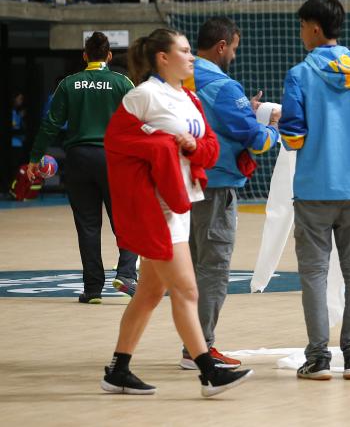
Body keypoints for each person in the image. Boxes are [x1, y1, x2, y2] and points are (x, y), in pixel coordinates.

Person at [101, 28, 252, 397]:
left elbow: (211, 147)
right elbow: (116, 142)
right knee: (186, 289)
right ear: (162, 58)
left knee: (149, 294)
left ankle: (118, 370)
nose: (190, 57)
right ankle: (207, 372)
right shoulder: (143, 95)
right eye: (184, 51)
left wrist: (192, 145)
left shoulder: (188, 97)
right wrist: (166, 144)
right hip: (156, 208)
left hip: (182, 204)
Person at [279, 0, 350, 380]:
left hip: (313, 189)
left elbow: (293, 137)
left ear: (313, 27)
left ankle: (317, 359)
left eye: (300, 27)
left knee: (313, 274)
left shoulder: (299, 75)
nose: (299, 34)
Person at [183, 16, 280, 370]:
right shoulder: (223, 86)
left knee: (191, 268)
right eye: (234, 48)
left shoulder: (182, 78)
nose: (235, 56)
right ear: (222, 46)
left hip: (183, 186)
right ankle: (201, 350)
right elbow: (255, 141)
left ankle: (191, 345)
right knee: (213, 268)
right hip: (216, 187)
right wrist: (271, 127)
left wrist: (247, 112)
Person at [27, 32, 138, 303]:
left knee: (88, 225)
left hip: (78, 159)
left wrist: (34, 157)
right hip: (114, 159)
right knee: (127, 219)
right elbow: (139, 120)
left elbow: (51, 123)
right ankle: (126, 274)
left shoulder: (69, 84)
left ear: (85, 56)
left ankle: (92, 289)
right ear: (109, 56)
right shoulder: (123, 82)